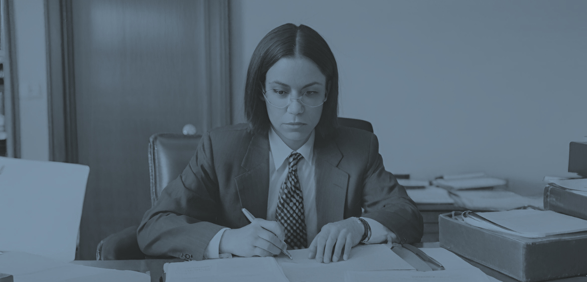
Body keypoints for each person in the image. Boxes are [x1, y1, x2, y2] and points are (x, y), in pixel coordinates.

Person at [137, 23, 423, 263]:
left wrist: (358, 227)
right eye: (280, 91)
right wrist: (228, 239)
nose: (295, 109)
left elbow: (407, 216)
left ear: (327, 93)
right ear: (262, 91)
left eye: (310, 93)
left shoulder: (358, 147)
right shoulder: (220, 148)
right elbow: (154, 225)